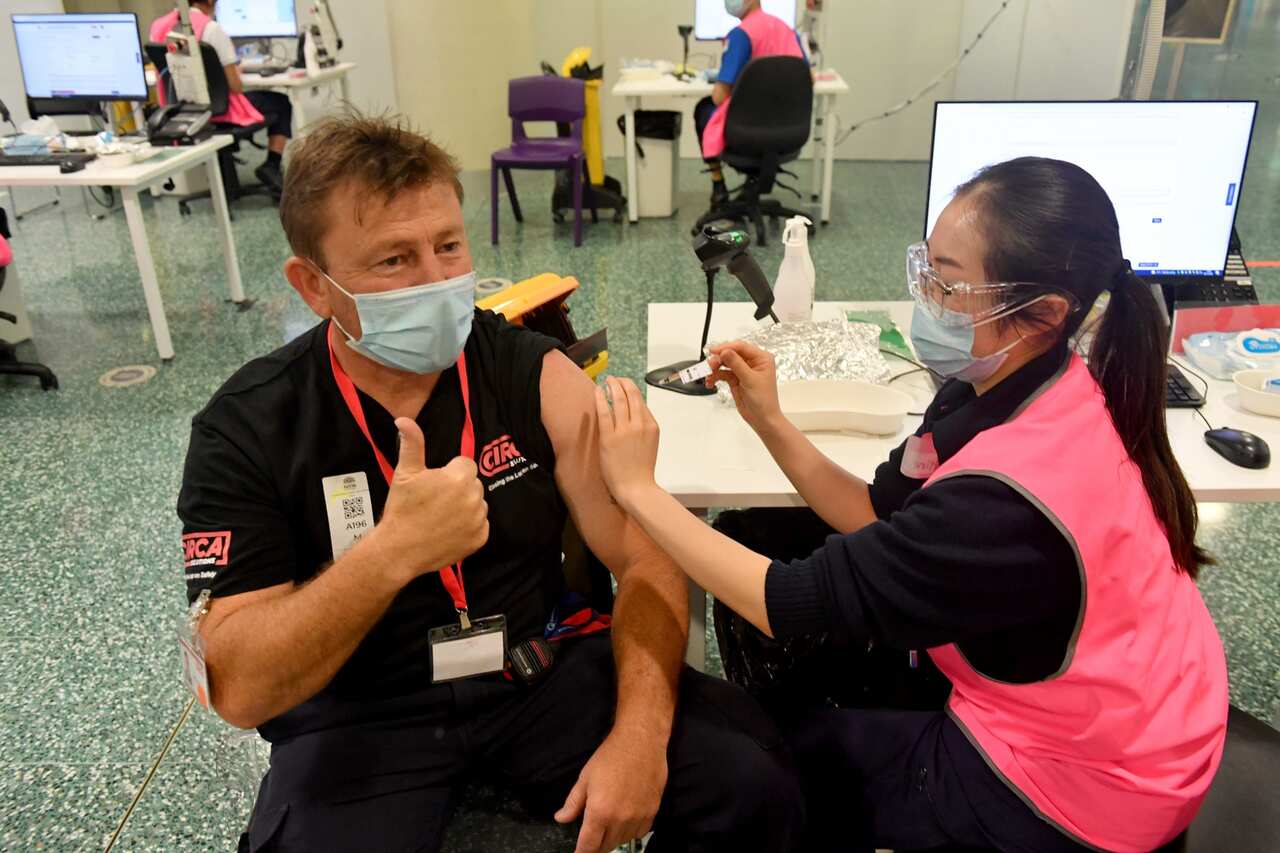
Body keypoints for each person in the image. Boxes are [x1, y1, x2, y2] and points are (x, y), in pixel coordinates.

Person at [176, 111, 802, 853]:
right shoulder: (247, 427)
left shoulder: (535, 374)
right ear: (314, 285)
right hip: (359, 712)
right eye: (394, 261)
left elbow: (648, 554)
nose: (439, 281)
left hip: (531, 676)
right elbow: (239, 684)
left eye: (448, 245)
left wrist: (639, 736)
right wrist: (390, 554)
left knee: (758, 784)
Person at [591, 156, 1229, 852]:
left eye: (949, 283)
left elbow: (791, 600)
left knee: (765, 768)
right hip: (1121, 712)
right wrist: (769, 419)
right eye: (925, 268)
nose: (926, 298)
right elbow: (872, 510)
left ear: (1042, 314)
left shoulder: (1010, 497)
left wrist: (638, 492)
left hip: (1085, 789)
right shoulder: (1013, 382)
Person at [150, 0, 293, 192]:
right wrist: (237, 70)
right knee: (281, 102)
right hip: (219, 112)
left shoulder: (158, 27)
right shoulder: (212, 29)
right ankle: (272, 165)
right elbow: (235, 86)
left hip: (180, 113)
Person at [694, 0, 806, 206]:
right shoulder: (788, 31)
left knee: (703, 109)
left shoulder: (741, 34)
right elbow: (808, 78)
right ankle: (751, 182)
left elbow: (720, 96)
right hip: (787, 130)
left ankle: (718, 186)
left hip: (746, 132)